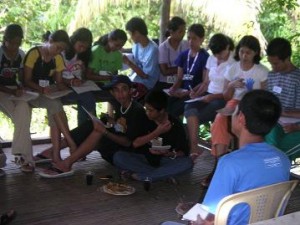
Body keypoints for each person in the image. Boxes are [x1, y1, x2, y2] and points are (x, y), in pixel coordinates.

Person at [163, 90, 291, 225]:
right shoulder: (283, 159)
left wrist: (193, 213)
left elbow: (206, 221)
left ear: (241, 118)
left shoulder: (230, 163)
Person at [38, 75, 153, 178]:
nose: (120, 93)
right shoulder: (121, 105)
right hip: (119, 145)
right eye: (116, 90)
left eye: (124, 89)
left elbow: (128, 142)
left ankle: (66, 164)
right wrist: (111, 121)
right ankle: (53, 151)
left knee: (99, 132)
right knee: (90, 125)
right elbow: (122, 127)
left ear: (131, 91)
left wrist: (105, 132)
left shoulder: (137, 110)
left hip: (130, 152)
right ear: (112, 93)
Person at [203, 35, 268, 187]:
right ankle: (219, 165)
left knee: (244, 124)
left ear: (256, 53)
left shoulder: (261, 71)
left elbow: (265, 96)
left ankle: (241, 170)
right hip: (235, 103)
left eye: (248, 53)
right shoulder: (232, 68)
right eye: (242, 52)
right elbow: (226, 97)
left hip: (253, 104)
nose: (244, 56)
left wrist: (250, 94)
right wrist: (231, 85)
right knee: (219, 120)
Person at [113, 90, 193, 182]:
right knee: (118, 157)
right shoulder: (143, 118)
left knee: (187, 163)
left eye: (150, 110)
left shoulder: (176, 125)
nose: (147, 112)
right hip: (144, 158)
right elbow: (135, 144)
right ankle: (162, 175)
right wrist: (157, 132)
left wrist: (169, 153)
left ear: (162, 111)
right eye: (146, 109)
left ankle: (141, 176)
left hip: (165, 160)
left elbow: (183, 151)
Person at [23, 30, 77, 163]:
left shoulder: (58, 58)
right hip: (31, 93)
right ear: (50, 41)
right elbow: (26, 80)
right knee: (56, 105)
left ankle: (57, 153)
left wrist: (64, 88)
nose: (59, 52)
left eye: (61, 50)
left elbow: (58, 82)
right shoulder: (34, 53)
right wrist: (41, 89)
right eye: (58, 47)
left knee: (55, 107)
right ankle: (68, 144)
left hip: (47, 94)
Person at [184, 33, 235, 155]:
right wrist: (196, 93)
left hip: (223, 98)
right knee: (189, 107)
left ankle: (202, 148)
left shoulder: (234, 62)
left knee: (204, 111)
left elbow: (228, 93)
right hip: (208, 94)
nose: (217, 57)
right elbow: (206, 82)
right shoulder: (211, 58)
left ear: (227, 47)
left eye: (220, 53)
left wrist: (211, 97)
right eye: (215, 53)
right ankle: (194, 147)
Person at [0, 24, 34, 172]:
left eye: (18, 43)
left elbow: (21, 78)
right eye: (12, 42)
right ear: (5, 40)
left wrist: (21, 88)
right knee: (23, 120)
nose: (14, 46)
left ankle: (21, 156)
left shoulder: (21, 54)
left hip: (15, 92)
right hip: (2, 92)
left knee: (23, 110)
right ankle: (25, 159)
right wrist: (12, 92)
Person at [264, 37, 300, 161]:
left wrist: (286, 114)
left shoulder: (297, 79)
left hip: (295, 126)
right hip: (275, 122)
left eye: (276, 63)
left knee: (279, 151)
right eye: (270, 63)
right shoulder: (272, 75)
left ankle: (273, 167)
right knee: (269, 134)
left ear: (287, 59)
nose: (273, 67)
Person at [168, 24, 209, 118]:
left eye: (194, 38)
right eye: (189, 38)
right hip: (182, 91)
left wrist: (186, 93)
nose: (190, 41)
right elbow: (179, 78)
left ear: (202, 39)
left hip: (195, 93)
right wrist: (173, 89)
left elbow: (204, 82)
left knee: (174, 109)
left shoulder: (205, 57)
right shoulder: (183, 55)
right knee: (166, 102)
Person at [61, 27, 96, 126]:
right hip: (61, 87)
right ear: (73, 41)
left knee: (88, 97)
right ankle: (89, 128)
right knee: (87, 98)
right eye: (80, 46)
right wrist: (71, 82)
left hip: (77, 86)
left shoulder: (83, 55)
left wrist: (83, 73)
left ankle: (88, 128)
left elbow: (83, 76)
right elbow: (57, 77)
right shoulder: (62, 52)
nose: (82, 49)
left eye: (85, 47)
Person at [123, 17, 160, 100]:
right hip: (135, 79)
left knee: (125, 96)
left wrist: (129, 63)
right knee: (117, 86)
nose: (130, 37)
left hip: (147, 84)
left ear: (136, 33)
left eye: (130, 34)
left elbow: (145, 76)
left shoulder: (153, 50)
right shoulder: (136, 45)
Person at [156, 16, 189, 90]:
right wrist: (182, 68)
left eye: (184, 31)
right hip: (166, 81)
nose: (183, 34)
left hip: (183, 80)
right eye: (180, 31)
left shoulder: (187, 45)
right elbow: (164, 71)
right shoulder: (163, 47)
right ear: (171, 32)